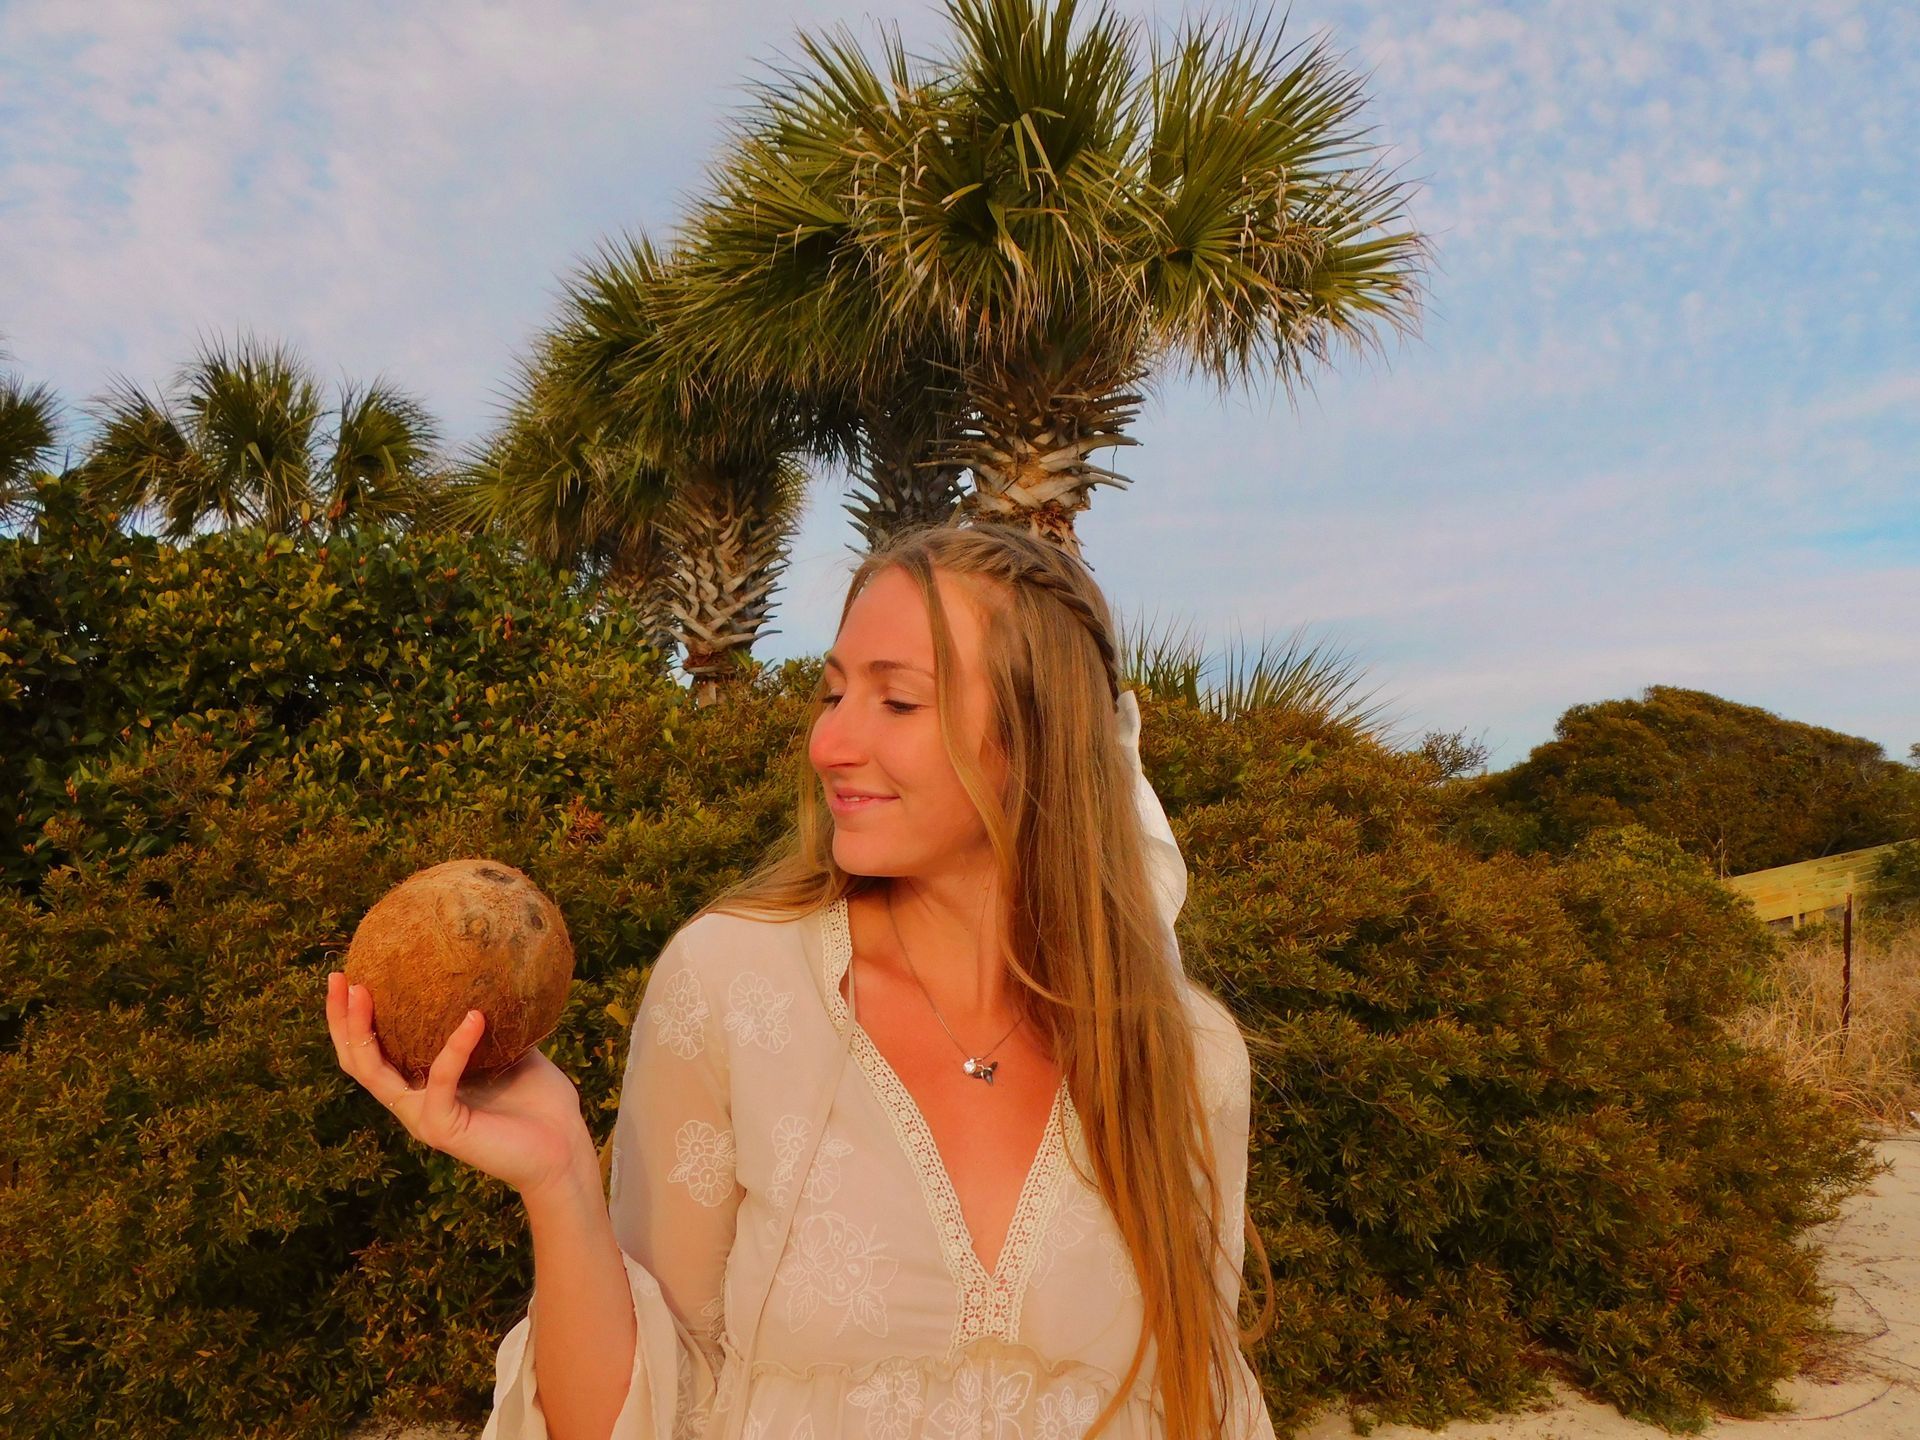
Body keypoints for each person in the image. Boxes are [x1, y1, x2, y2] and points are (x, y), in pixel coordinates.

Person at [324, 522, 1277, 1440]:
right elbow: (640, 1412)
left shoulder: (1189, 1056)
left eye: (897, 702)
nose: (829, 745)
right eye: (832, 696)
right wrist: (560, 1177)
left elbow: (1203, 1408)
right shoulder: (734, 987)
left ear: (1042, 738)